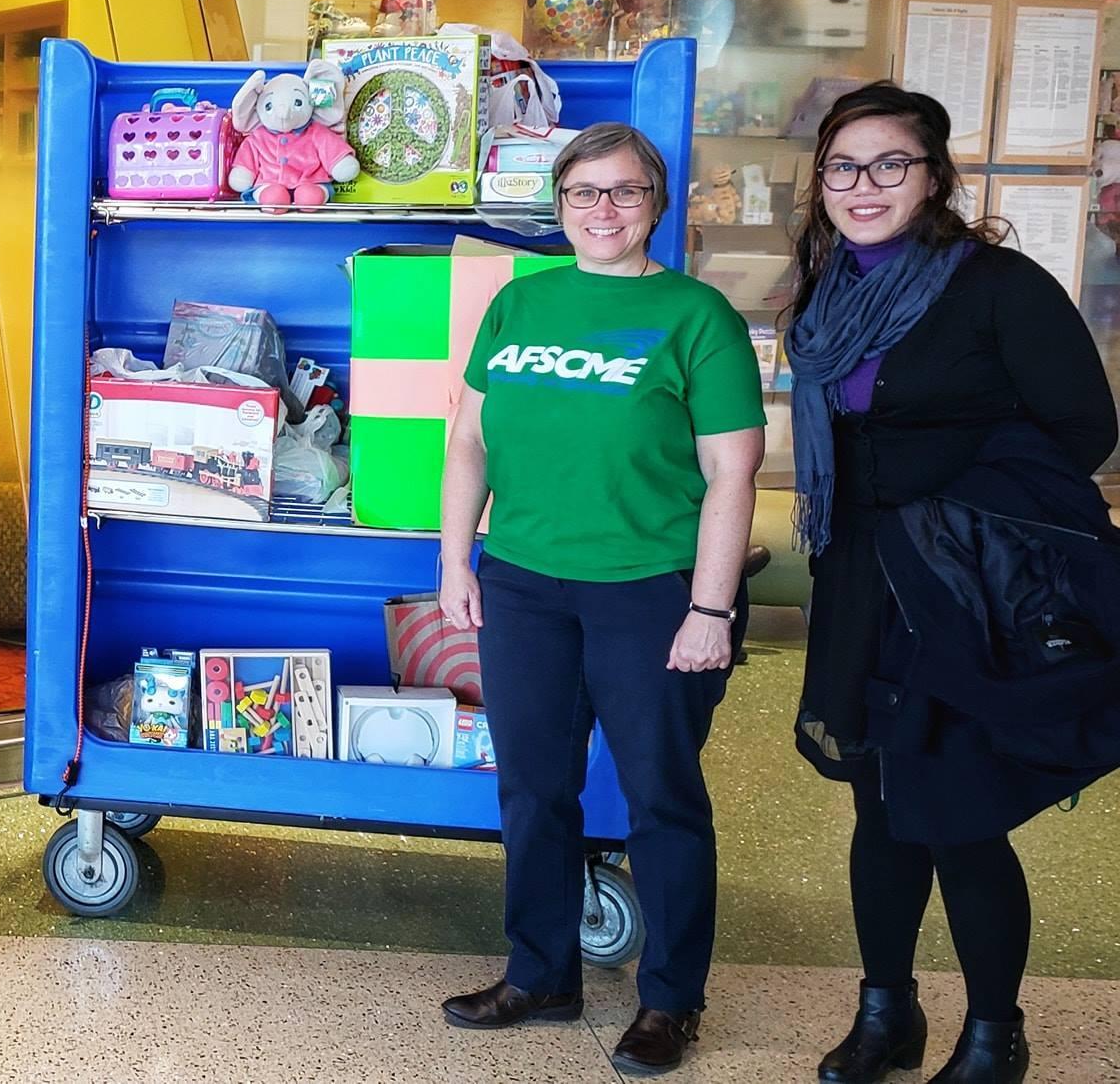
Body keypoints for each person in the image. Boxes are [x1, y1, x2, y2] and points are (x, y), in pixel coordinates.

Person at [785, 82, 1118, 1084]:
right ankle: (887, 1014)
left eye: (890, 163)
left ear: (932, 177)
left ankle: (992, 1035)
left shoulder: (994, 286)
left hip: (957, 586)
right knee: (878, 806)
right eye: (842, 166)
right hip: (858, 577)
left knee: (957, 808)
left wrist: (952, 505)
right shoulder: (828, 288)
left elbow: (1084, 431)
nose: (862, 185)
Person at [435, 122, 766, 1075]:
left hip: (650, 591)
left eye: (623, 192)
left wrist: (709, 610)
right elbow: (470, 441)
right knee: (533, 789)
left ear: (655, 202)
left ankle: (670, 999)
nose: (603, 210)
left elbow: (731, 473)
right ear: (561, 205)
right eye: (584, 193)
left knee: (663, 798)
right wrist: (457, 560)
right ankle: (541, 971)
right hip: (525, 583)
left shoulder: (697, 316)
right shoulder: (520, 303)